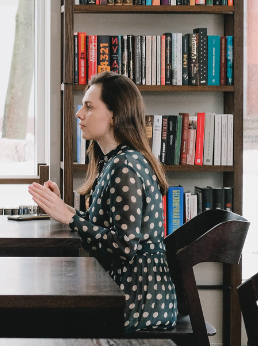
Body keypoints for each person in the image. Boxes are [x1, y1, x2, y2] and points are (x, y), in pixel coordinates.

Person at [28, 71, 177, 332]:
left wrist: (70, 218)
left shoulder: (124, 167)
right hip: (131, 290)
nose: (79, 114)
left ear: (114, 116)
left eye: (89, 106)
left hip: (136, 298)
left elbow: (124, 246)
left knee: (43, 318)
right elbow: (109, 229)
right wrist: (63, 208)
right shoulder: (116, 161)